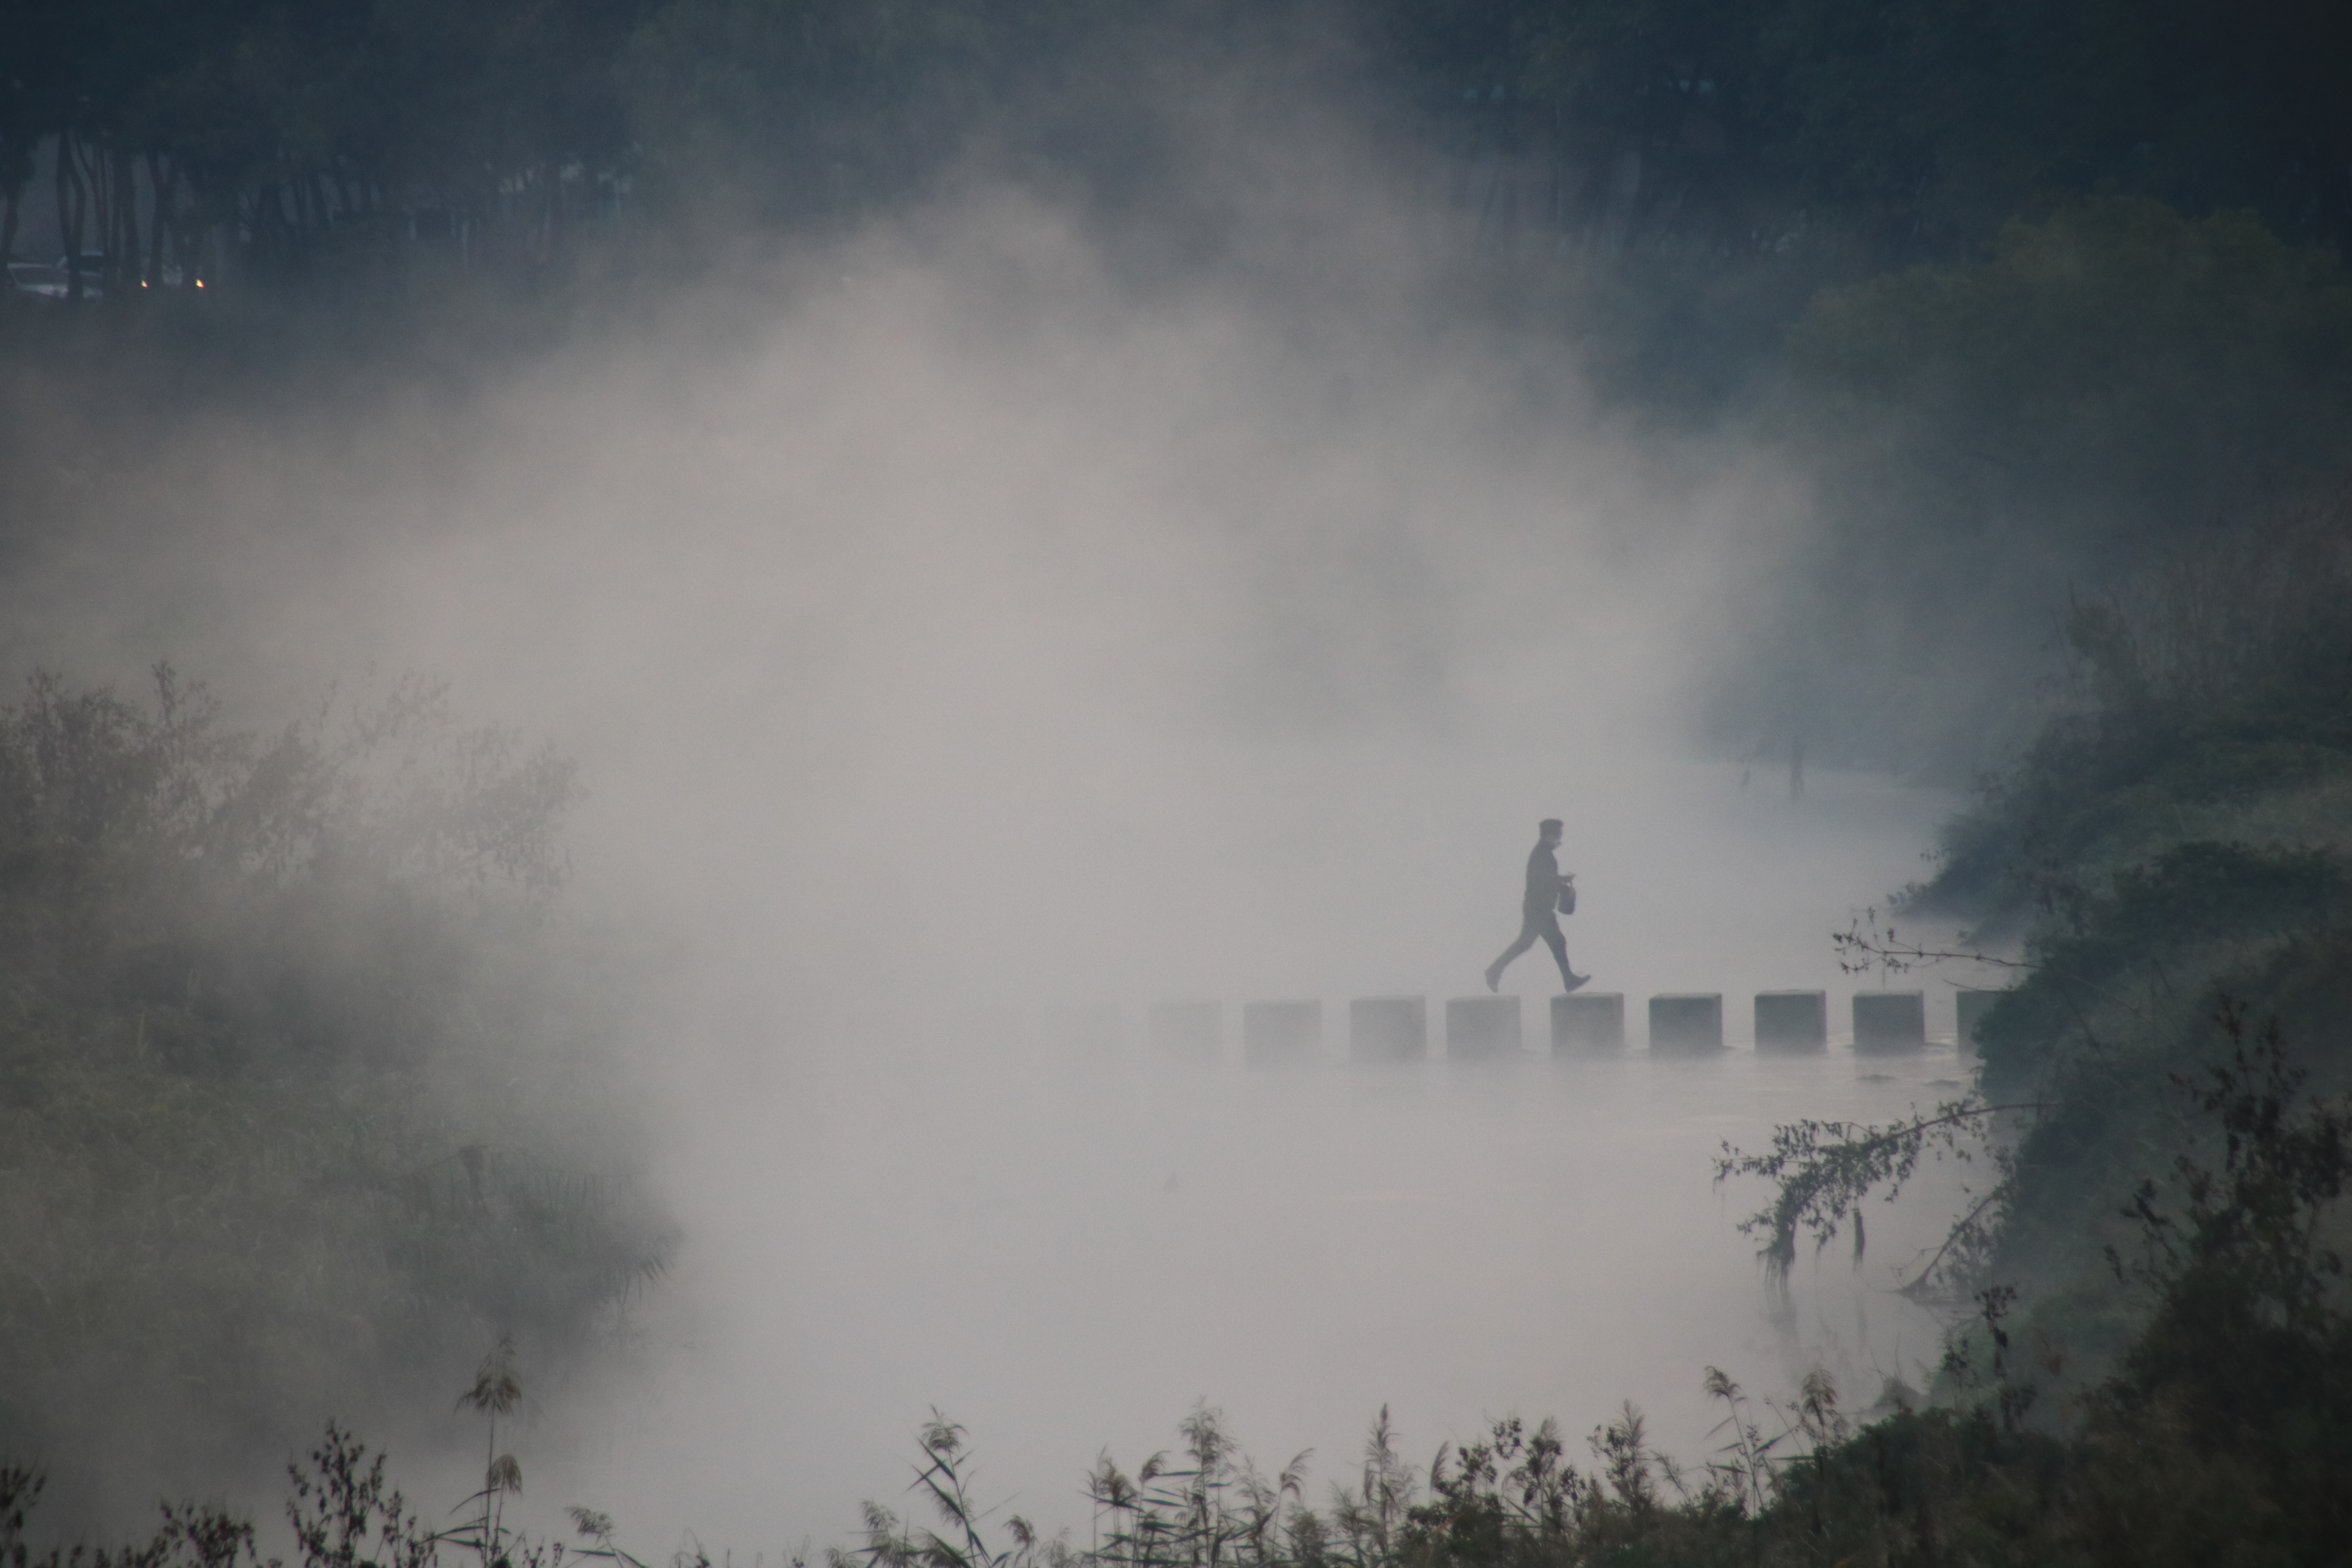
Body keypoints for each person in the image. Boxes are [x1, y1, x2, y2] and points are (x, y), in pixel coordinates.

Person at [1484, 818, 1588, 993]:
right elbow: (1544, 883)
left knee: (1529, 943)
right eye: (1559, 834)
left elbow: (1546, 880)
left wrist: (1562, 881)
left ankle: (1494, 970)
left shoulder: (1543, 854)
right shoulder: (1542, 855)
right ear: (1550, 834)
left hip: (1539, 908)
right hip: (1538, 910)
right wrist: (1563, 885)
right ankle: (1568, 980)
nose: (1560, 838)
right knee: (1551, 942)